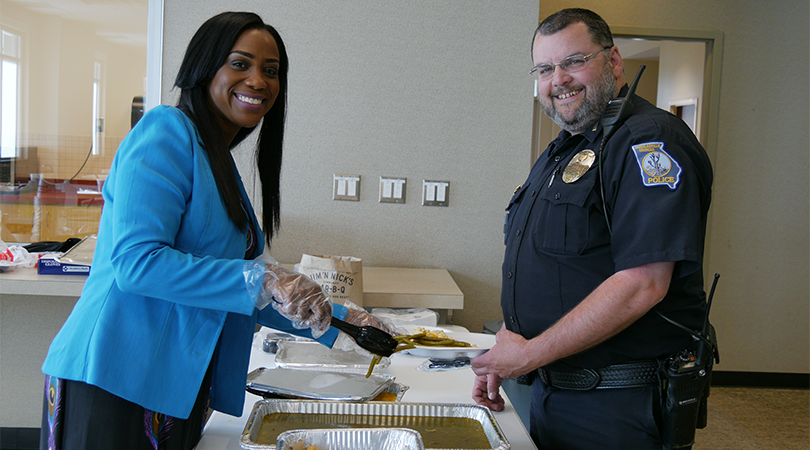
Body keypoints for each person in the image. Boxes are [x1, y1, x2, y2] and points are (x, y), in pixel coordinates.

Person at [39, 11, 387, 450]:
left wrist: (341, 321)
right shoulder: (164, 132)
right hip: (113, 377)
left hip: (174, 385)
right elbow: (137, 263)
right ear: (204, 69)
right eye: (240, 64)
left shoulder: (216, 158)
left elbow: (240, 289)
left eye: (271, 71)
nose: (259, 80)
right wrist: (263, 278)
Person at [470, 8, 713, 450]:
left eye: (574, 61)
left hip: (616, 405)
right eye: (544, 68)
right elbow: (556, 266)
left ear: (614, 62)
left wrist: (527, 353)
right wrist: (511, 341)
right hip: (554, 389)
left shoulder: (649, 142)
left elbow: (643, 284)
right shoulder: (564, 149)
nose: (558, 79)